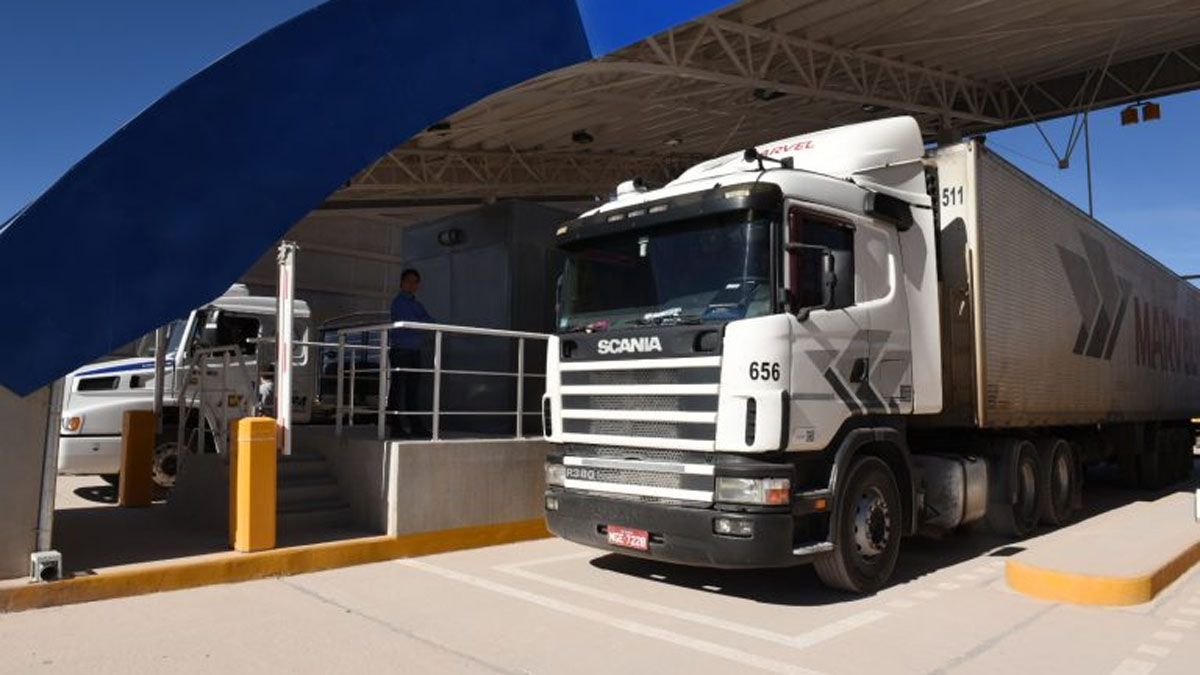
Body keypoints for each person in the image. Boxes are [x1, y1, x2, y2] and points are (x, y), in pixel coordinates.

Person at [389, 268, 434, 437]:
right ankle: (395, 427)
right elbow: (412, 322)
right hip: (401, 350)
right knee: (398, 389)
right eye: (409, 281)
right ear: (401, 283)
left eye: (415, 282)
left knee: (412, 391)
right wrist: (421, 322)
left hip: (415, 351)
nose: (412, 284)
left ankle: (415, 426)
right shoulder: (399, 302)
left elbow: (430, 321)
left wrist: (421, 322)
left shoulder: (417, 304)